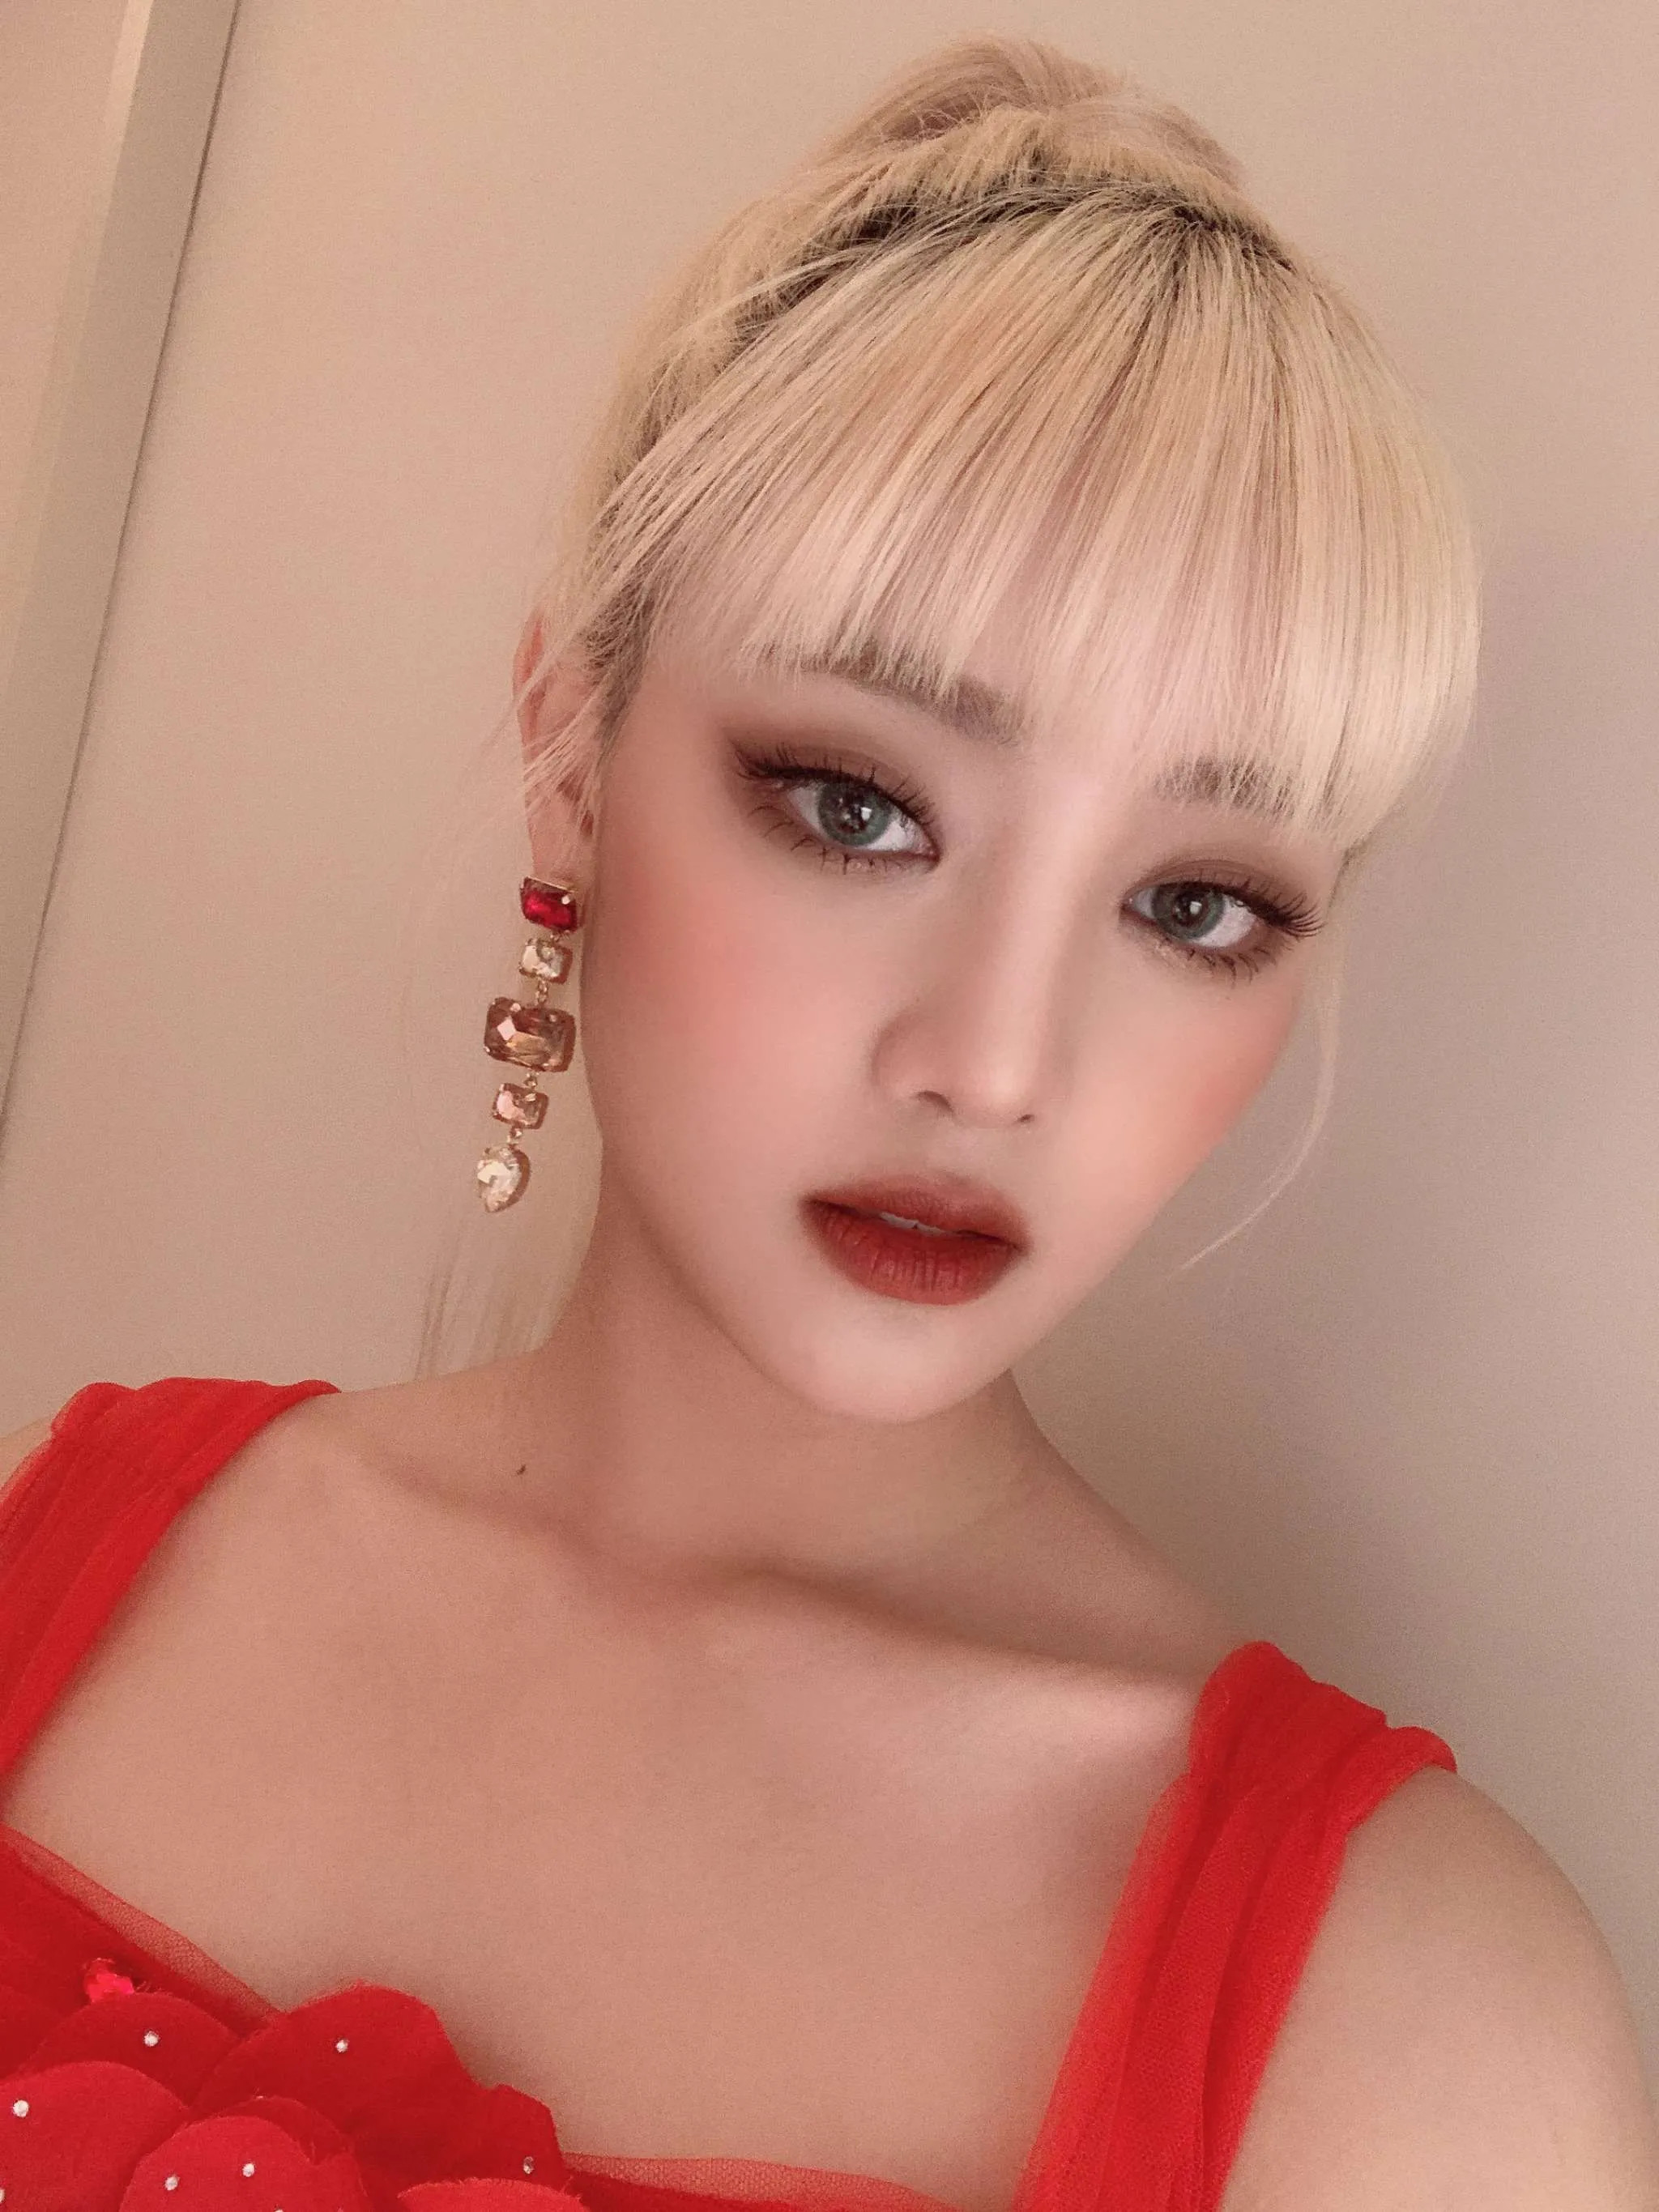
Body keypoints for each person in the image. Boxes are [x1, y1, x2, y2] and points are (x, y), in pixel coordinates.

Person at [0, 30, 1653, 2211]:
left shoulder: (1425, 2031)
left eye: (1196, 903)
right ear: (571, 758)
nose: (996, 1059)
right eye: (860, 805)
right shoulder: (60, 1548)